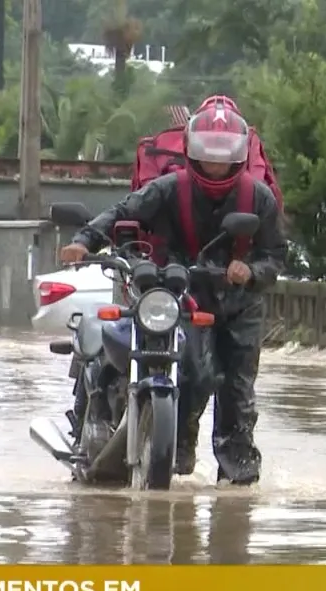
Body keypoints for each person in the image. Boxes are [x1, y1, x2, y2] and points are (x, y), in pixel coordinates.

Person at [58, 98, 285, 485]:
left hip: (240, 303)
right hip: (181, 294)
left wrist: (250, 270)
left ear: (240, 155)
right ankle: (175, 450)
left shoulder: (258, 198)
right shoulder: (167, 188)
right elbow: (121, 212)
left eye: (224, 156)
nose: (216, 164)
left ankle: (238, 475)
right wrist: (84, 240)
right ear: (192, 151)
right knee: (194, 371)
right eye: (208, 155)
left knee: (238, 390)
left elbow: (276, 255)